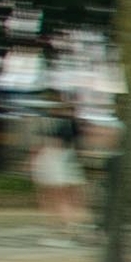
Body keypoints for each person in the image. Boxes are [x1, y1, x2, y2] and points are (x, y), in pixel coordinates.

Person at [33, 101, 87, 245]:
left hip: (58, 161)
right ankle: (71, 227)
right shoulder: (73, 125)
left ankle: (65, 228)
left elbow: (53, 144)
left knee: (58, 197)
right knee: (69, 197)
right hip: (67, 160)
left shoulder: (58, 125)